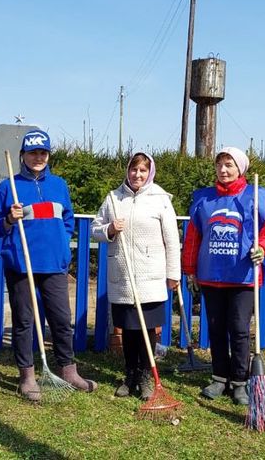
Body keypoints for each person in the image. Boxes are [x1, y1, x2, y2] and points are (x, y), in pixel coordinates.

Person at [0, 129, 97, 401]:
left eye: (43, 153)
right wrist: (10, 220)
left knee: (61, 319)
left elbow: (67, 220)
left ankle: (68, 370)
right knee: (24, 321)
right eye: (33, 152)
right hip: (21, 264)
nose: (38, 157)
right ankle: (27, 376)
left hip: (54, 264)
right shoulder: (8, 188)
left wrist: (59, 242)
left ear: (48, 156)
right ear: (22, 155)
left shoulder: (59, 185)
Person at [181, 147, 265, 405]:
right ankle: (219, 377)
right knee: (215, 328)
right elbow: (193, 237)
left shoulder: (256, 198)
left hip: (242, 276)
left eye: (229, 165)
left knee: (238, 329)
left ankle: (240, 381)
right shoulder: (204, 200)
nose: (223, 170)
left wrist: (262, 248)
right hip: (211, 275)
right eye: (220, 165)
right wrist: (189, 270)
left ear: (240, 168)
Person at [92, 152, 181, 400]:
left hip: (150, 276)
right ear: (127, 171)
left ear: (149, 172)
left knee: (147, 329)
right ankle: (130, 375)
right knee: (129, 329)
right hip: (123, 275)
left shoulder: (160, 199)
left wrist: (173, 273)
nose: (137, 175)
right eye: (133, 170)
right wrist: (109, 229)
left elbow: (172, 239)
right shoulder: (113, 198)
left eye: (142, 170)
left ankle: (146, 377)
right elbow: (94, 229)